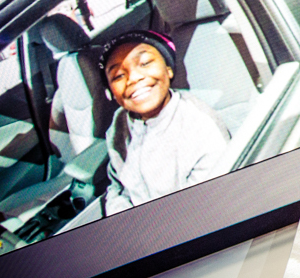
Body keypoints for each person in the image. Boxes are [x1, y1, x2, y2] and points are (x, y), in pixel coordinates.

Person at [98, 29, 229, 215]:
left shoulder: (200, 126)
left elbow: (202, 210)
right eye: (118, 76)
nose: (133, 78)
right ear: (111, 92)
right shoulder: (119, 123)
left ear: (168, 69)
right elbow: (117, 187)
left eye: (145, 63)